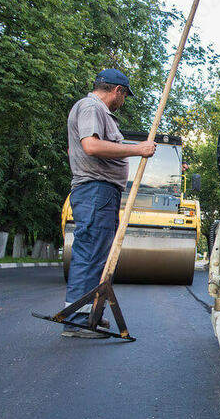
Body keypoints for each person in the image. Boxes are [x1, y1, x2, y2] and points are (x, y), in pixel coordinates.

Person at [62, 69, 156, 338]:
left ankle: (88, 313)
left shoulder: (95, 111)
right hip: (95, 190)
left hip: (100, 191)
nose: (123, 102)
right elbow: (90, 146)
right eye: (124, 96)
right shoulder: (91, 107)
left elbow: (74, 150)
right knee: (90, 253)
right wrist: (137, 150)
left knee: (99, 256)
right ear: (118, 91)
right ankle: (76, 321)